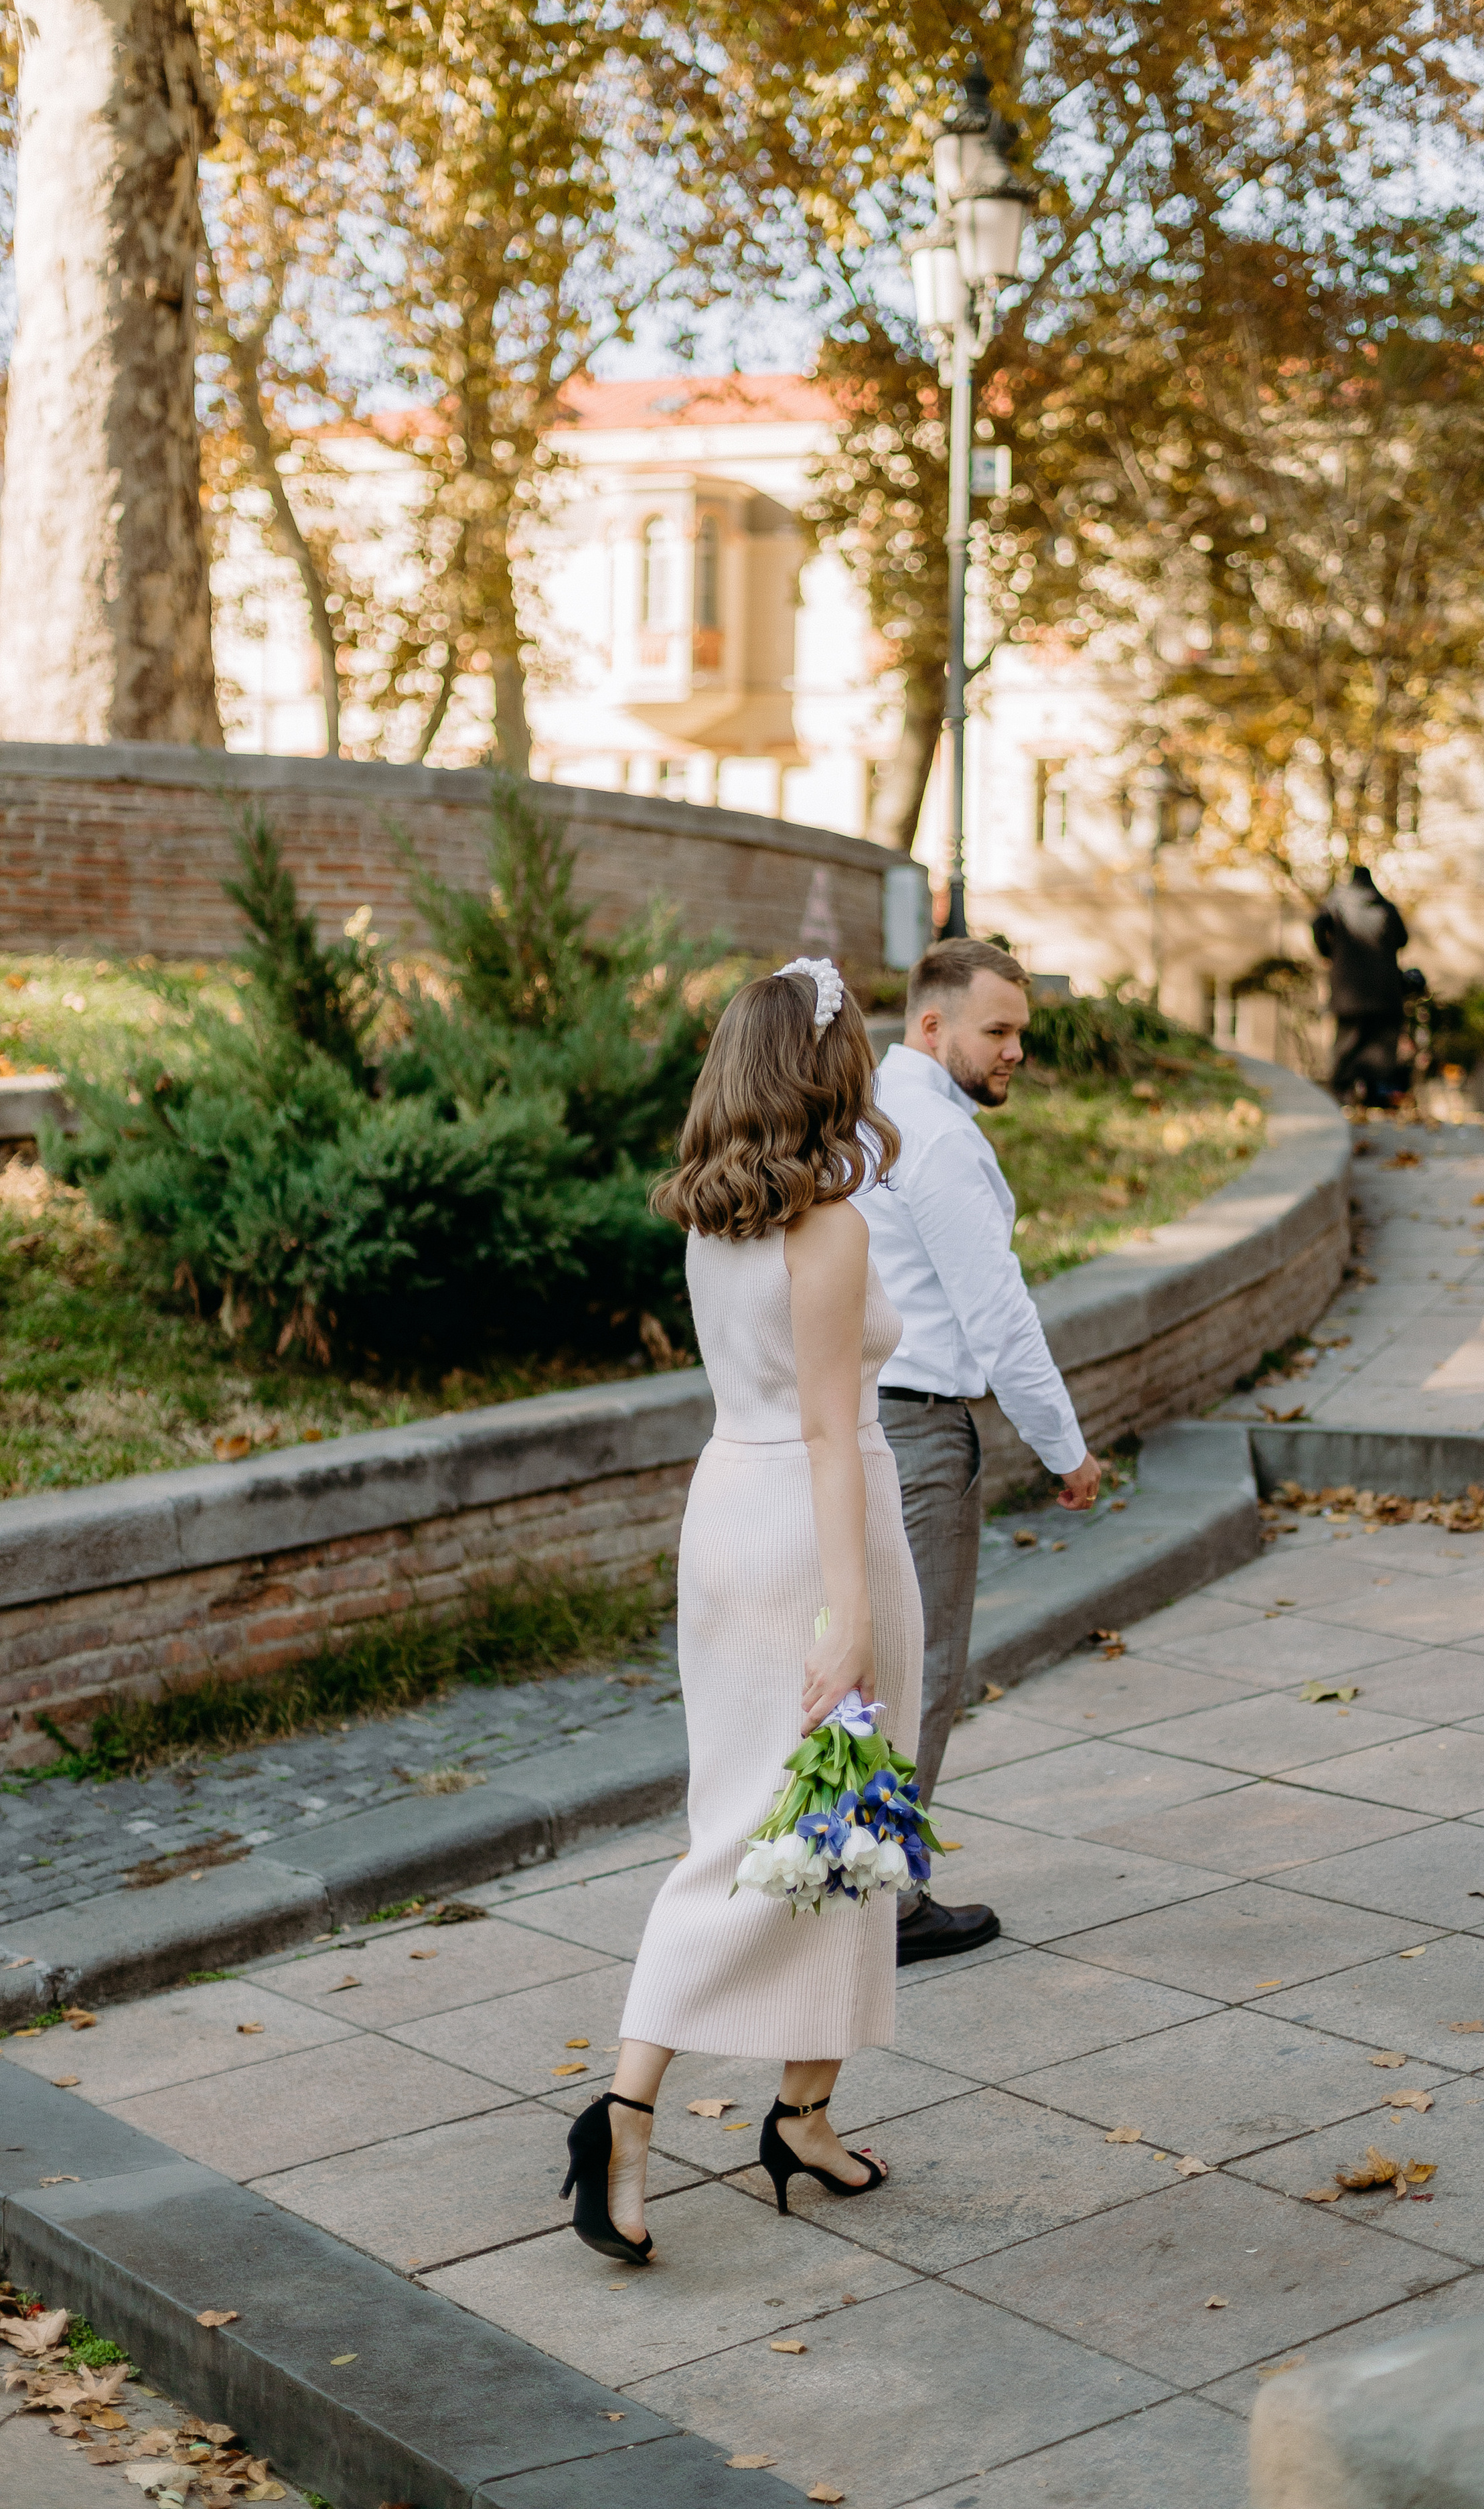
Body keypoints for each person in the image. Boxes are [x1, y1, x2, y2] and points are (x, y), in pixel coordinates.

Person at [557, 956, 923, 2265]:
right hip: (816, 1533)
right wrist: (851, 1614)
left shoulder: (716, 1218)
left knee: (826, 1826)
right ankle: (623, 2110)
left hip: (726, 1515)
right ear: (825, 1069)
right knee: (780, 1830)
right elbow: (832, 1430)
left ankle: (807, 2117)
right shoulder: (826, 1223)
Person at [856, 938, 1102, 1966]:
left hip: (861, 1422)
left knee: (866, 1667)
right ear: (932, 1025)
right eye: (996, 1032)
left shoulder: (867, 1114)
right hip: (917, 1431)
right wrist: (1067, 1452)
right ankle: (887, 1906)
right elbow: (999, 1319)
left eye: (1020, 1036)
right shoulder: (941, 1142)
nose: (1013, 1054)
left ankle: (846, 1875)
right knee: (920, 1669)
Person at [1312, 865, 1410, 1106]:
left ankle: (1342, 1095)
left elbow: (1317, 925)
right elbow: (1403, 940)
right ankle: (1376, 1097)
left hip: (1348, 991)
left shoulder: (1336, 903)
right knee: (1380, 1048)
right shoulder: (1385, 907)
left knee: (1347, 1044)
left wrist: (1328, 952)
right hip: (1384, 992)